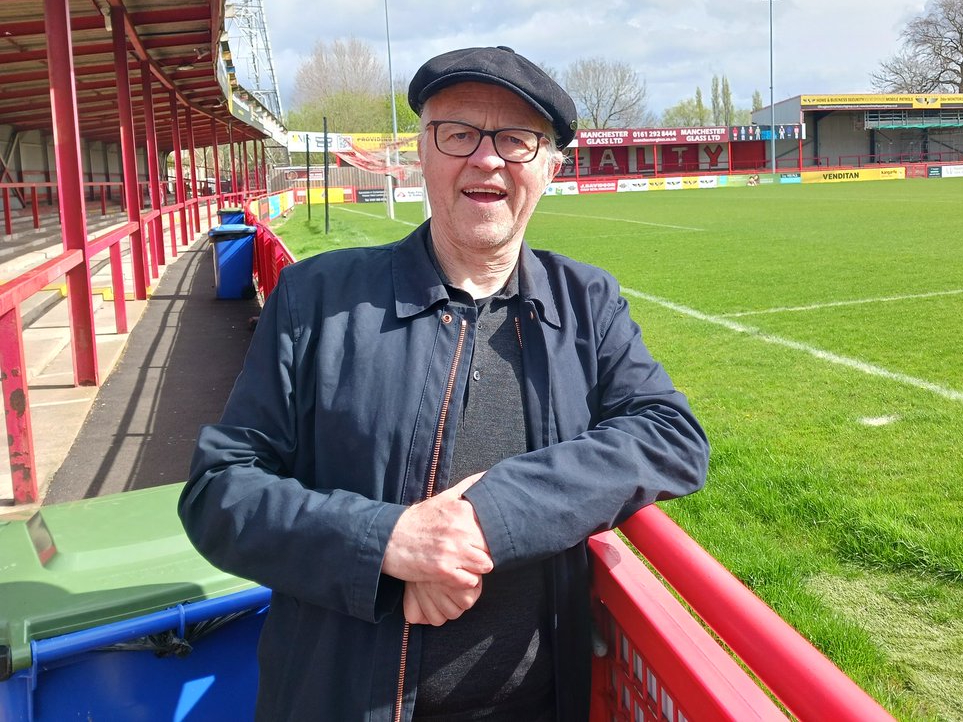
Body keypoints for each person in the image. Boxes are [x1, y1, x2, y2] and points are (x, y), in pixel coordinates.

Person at [178, 45, 709, 722]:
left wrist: (487, 517)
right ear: (420, 154)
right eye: (457, 133)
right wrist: (387, 541)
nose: (486, 159)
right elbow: (219, 491)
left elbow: (672, 437)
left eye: (516, 140)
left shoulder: (586, 301)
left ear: (549, 167)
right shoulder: (316, 298)